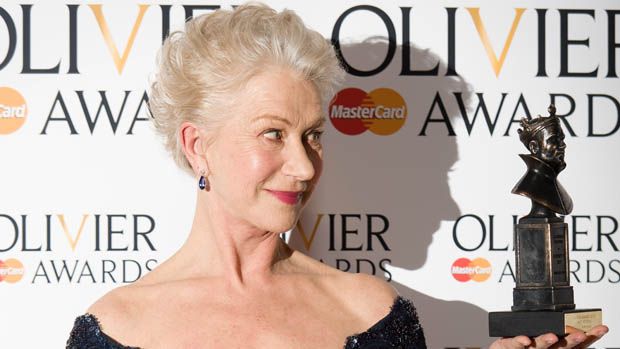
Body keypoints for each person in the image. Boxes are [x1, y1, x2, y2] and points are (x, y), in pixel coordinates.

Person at [66, 3, 607, 348]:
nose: (304, 168)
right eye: (272, 133)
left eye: (313, 135)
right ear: (196, 144)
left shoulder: (373, 313)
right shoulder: (116, 327)